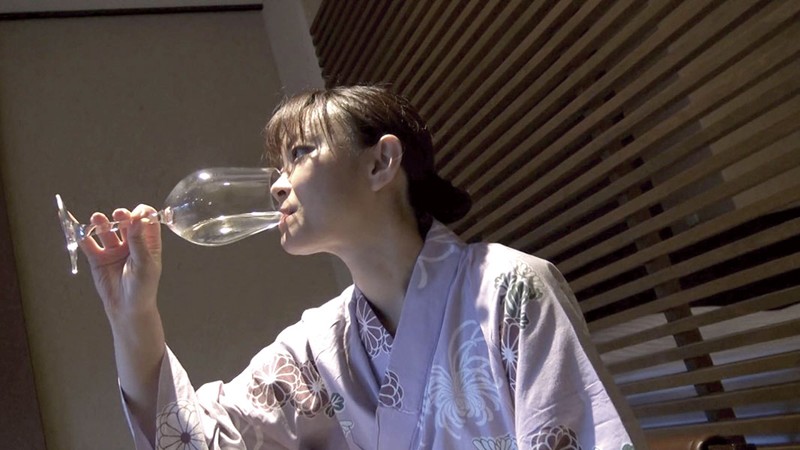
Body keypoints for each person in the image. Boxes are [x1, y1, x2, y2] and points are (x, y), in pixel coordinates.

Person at [81, 85, 645, 450]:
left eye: (299, 154)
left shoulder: (511, 289)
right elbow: (199, 439)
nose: (278, 185)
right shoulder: (317, 348)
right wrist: (132, 313)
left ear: (381, 163)